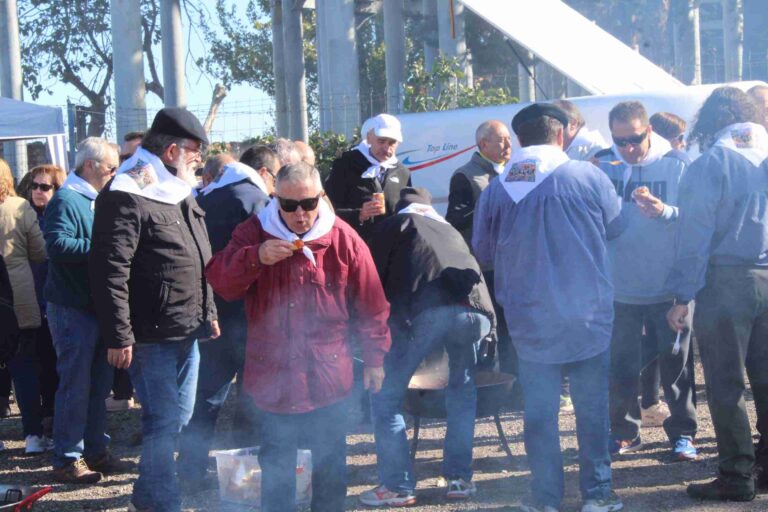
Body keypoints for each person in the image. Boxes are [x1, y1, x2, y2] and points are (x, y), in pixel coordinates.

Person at [206, 162, 391, 512]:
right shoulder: (255, 231)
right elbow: (220, 279)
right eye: (288, 205)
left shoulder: (342, 238)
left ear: (321, 197)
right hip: (272, 378)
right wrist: (255, 257)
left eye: (307, 203)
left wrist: (375, 359)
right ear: (275, 199)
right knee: (276, 470)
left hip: (328, 378)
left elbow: (372, 304)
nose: (299, 214)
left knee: (330, 471)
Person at [473, 103, 625, 512]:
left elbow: (483, 251)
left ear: (518, 140)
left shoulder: (496, 189)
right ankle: (596, 494)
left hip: (529, 317)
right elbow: (618, 228)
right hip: (587, 315)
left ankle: (544, 498)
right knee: (592, 410)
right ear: (561, 136)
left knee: (540, 413)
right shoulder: (590, 176)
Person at [89, 108, 219, 512]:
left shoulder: (177, 188)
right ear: (174, 150)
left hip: (188, 328)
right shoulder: (126, 192)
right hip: (150, 335)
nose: (200, 159)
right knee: (163, 424)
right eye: (196, 151)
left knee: (177, 421)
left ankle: (146, 499)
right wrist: (118, 335)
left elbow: (200, 258)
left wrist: (209, 310)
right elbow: (109, 269)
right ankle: (163, 504)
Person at [361, 187, 495, 506]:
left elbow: (370, 283)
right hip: (476, 315)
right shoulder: (447, 227)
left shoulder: (393, 226)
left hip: (427, 314)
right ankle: (459, 481)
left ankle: (398, 486)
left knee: (386, 398)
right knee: (462, 392)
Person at [665, 86, 768, 502]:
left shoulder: (710, 163)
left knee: (726, 386)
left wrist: (681, 296)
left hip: (727, 282)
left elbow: (695, 235)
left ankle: (736, 475)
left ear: (713, 120)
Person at [593, 101, 698, 461]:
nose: (629, 148)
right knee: (621, 364)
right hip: (619, 288)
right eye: (620, 141)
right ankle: (625, 432)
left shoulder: (678, 165)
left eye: (635, 139)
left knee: (676, 366)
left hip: (668, 288)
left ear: (649, 131)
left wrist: (666, 212)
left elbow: (700, 221)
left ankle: (683, 434)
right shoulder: (603, 163)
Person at [178, 146, 279, 487]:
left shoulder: (202, 201)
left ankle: (190, 469)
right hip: (251, 316)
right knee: (251, 397)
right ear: (263, 173)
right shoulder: (257, 202)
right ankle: (243, 473)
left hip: (210, 314)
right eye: (276, 177)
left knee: (206, 395)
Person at [43, 138, 127, 483]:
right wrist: (102, 247)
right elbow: (57, 244)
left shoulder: (93, 199)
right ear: (90, 166)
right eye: (110, 168)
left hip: (93, 307)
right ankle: (67, 457)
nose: (113, 174)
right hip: (72, 308)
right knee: (76, 385)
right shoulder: (66, 199)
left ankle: (94, 451)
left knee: (97, 385)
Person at [445, 119, 518, 393]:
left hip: (514, 264)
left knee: (515, 327)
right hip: (486, 266)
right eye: (502, 140)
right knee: (492, 328)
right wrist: (490, 204)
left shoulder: (514, 172)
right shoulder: (466, 175)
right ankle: (489, 388)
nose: (509, 145)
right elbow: (455, 219)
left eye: (510, 139)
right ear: (483, 144)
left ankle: (514, 386)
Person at [0, 159, 49, 455]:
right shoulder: (19, 207)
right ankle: (32, 435)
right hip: (17, 295)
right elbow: (39, 251)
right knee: (24, 366)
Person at [325, 113, 412, 241]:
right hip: (354, 242)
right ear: (369, 138)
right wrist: (359, 214)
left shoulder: (402, 172)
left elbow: (406, 211)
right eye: (381, 141)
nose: (386, 147)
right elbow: (328, 209)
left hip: (390, 248)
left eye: (392, 142)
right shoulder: (346, 164)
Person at [25, 165, 66, 435]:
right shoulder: (23, 217)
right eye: (34, 186)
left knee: (55, 361)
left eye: (45, 186)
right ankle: (42, 415)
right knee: (36, 360)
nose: (38, 191)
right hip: (30, 299)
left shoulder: (58, 217)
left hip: (54, 298)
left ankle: (54, 414)